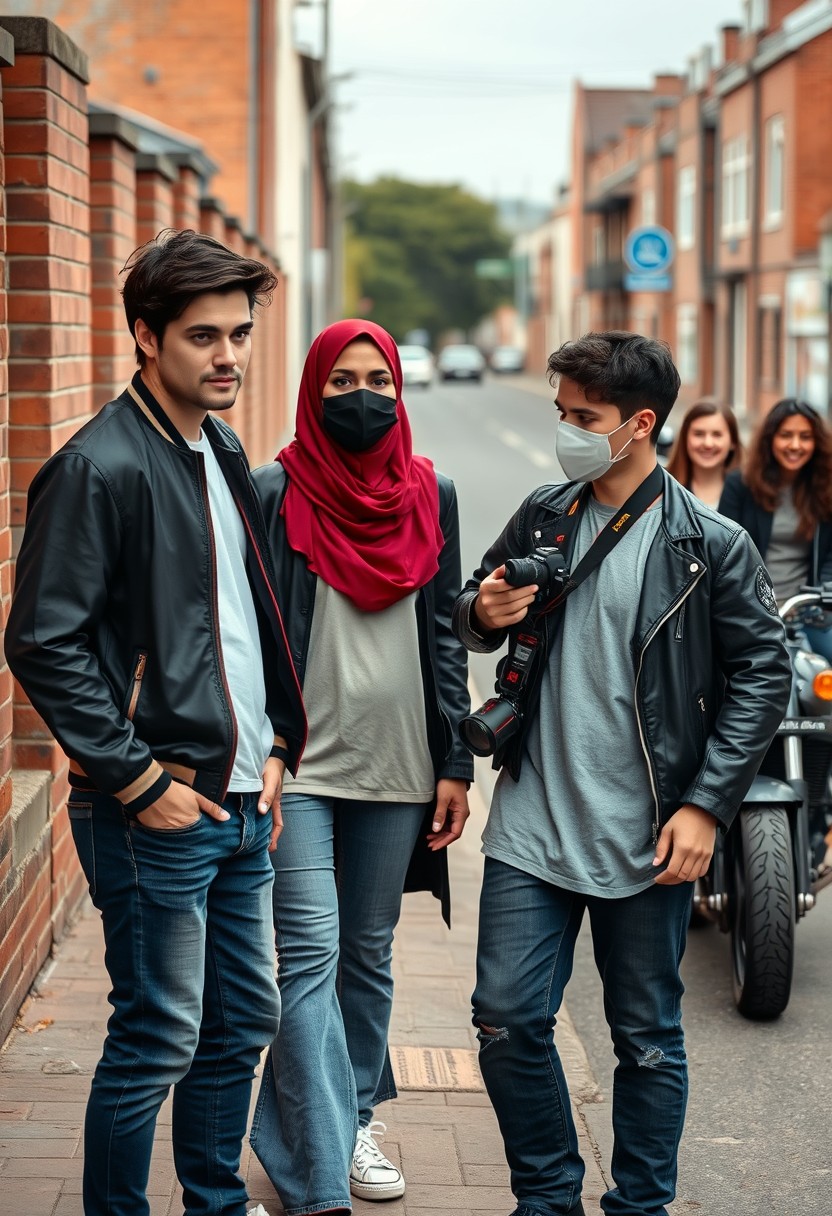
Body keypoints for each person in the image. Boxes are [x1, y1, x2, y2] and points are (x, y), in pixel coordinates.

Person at [452, 331, 791, 1216]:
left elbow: (763, 675)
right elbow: (476, 612)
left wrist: (708, 807)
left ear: (641, 425)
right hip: (532, 818)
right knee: (506, 1017)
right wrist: (480, 610)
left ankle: (639, 1205)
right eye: (560, 412)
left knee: (643, 1037)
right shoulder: (543, 511)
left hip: (649, 835)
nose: (567, 428)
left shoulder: (710, 545)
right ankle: (548, 1194)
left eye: (585, 417)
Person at [5, 229, 306, 1216]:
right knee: (157, 1034)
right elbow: (42, 639)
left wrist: (268, 744)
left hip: (237, 799)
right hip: (156, 809)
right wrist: (135, 779)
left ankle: (213, 1200)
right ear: (145, 336)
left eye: (240, 334)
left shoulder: (217, 446)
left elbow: (233, 624)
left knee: (238, 1020)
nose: (227, 356)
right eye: (202, 336)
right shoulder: (100, 466)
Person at [249, 318, 473, 1214]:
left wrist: (455, 758)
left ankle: (352, 1113)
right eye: (339, 381)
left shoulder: (434, 493)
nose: (361, 397)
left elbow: (449, 635)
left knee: (368, 956)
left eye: (375, 378)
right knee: (307, 957)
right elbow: (254, 633)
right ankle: (321, 1169)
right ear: (312, 387)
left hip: (400, 766)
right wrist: (261, 745)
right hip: (300, 766)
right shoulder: (274, 489)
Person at [718, 396, 832, 659]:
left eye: (805, 436)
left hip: (806, 612)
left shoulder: (824, 488)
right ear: (770, 439)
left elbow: (829, 556)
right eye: (786, 435)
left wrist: (823, 594)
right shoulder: (741, 484)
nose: (795, 445)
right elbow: (724, 552)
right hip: (752, 613)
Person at [665, 398, 742, 507]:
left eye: (717, 434)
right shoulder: (663, 488)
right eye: (699, 434)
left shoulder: (751, 494)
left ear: (733, 441)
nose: (708, 444)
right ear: (685, 438)